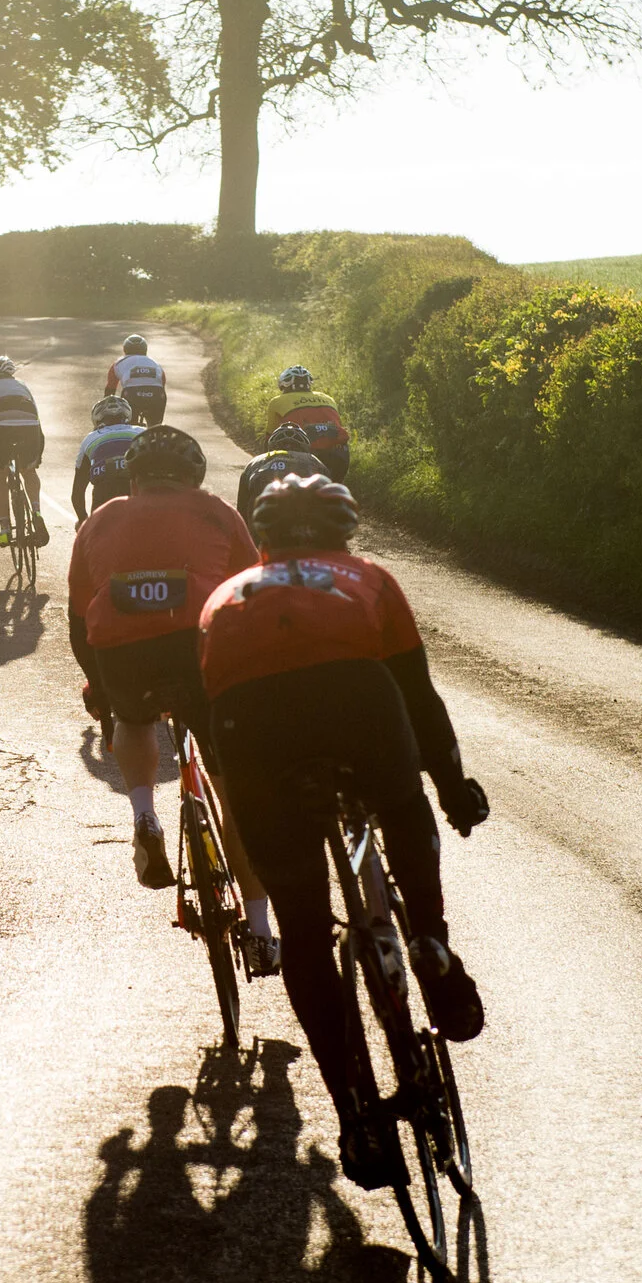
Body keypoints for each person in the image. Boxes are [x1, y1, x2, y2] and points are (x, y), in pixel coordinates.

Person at [195, 472, 491, 1190]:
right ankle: (428, 940)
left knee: (303, 928)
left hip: (253, 722)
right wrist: (452, 789)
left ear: (259, 535)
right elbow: (419, 699)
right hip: (357, 701)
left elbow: (212, 730)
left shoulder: (223, 599)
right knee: (401, 806)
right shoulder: (369, 578)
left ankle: (357, 1115)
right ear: (344, 529)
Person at [64, 426, 278, 976]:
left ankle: (144, 813)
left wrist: (99, 687)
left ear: (133, 479)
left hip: (122, 650)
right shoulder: (215, 510)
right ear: (194, 475)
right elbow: (253, 589)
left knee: (133, 720)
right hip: (202, 644)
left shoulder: (102, 517)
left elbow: (76, 614)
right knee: (236, 795)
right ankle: (259, 931)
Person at [0, 355, 49, 547]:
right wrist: (37, 453)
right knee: (29, 470)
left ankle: (5, 530)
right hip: (29, 426)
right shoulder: (22, 387)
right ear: (11, 373)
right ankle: (37, 511)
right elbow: (37, 421)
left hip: (1, 429)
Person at [263, 366, 351, 479]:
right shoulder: (328, 398)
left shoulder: (276, 401)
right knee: (334, 488)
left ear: (284, 384)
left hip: (303, 454)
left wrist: (265, 463)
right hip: (339, 453)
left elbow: (270, 437)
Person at [71, 394, 147, 524]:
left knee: (98, 538)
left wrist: (83, 522)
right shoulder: (142, 432)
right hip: (136, 487)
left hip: (105, 489)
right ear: (127, 415)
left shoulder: (90, 438)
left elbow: (77, 493)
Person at [235, 424, 327, 526]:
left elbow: (241, 510)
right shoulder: (314, 461)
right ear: (304, 448)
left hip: (263, 518)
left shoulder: (256, 461)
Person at [105, 334, 169, 426]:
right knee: (155, 428)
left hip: (131, 394)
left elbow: (110, 388)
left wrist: (107, 404)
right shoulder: (155, 363)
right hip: (157, 395)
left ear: (125, 349)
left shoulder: (118, 363)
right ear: (145, 350)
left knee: (130, 426)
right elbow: (162, 384)